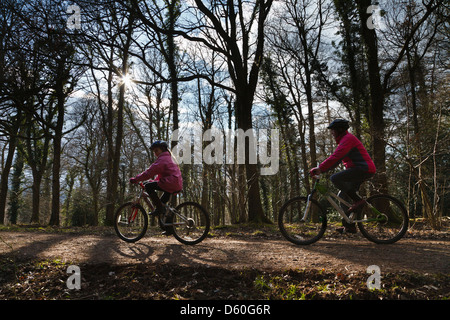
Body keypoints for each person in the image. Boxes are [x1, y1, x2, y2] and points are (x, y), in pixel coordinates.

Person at [309, 119, 376, 234]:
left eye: (333, 130)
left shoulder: (348, 139)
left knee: (335, 178)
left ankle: (358, 201)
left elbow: (336, 157)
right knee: (342, 195)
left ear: (340, 130)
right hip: (358, 169)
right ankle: (350, 226)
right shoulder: (344, 140)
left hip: (363, 168)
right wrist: (323, 170)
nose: (332, 132)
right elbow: (336, 161)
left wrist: (320, 169)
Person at [129, 140, 183, 235]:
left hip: (171, 182)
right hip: (174, 182)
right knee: (162, 205)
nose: (155, 153)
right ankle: (169, 228)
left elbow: (150, 172)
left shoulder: (163, 159)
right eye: (154, 151)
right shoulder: (167, 158)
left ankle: (159, 209)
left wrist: (136, 179)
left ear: (162, 149)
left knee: (149, 188)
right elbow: (160, 177)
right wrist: (151, 181)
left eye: (156, 150)